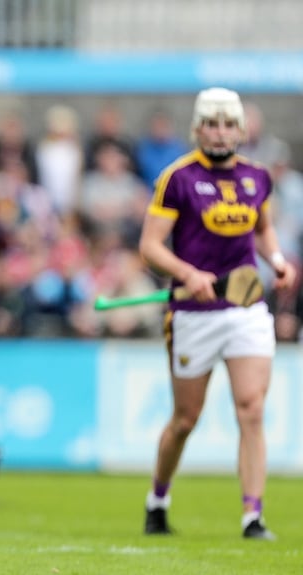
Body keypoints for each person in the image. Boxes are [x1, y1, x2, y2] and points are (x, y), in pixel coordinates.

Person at [138, 87, 295, 540]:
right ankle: (158, 498)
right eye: (212, 123)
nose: (221, 132)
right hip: (194, 314)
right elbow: (149, 247)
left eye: (228, 123)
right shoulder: (178, 178)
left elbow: (262, 231)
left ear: (241, 129)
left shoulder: (257, 178)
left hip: (246, 307)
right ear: (198, 128)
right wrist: (188, 273)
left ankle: (252, 515)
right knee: (185, 420)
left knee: (251, 409)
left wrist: (278, 261)